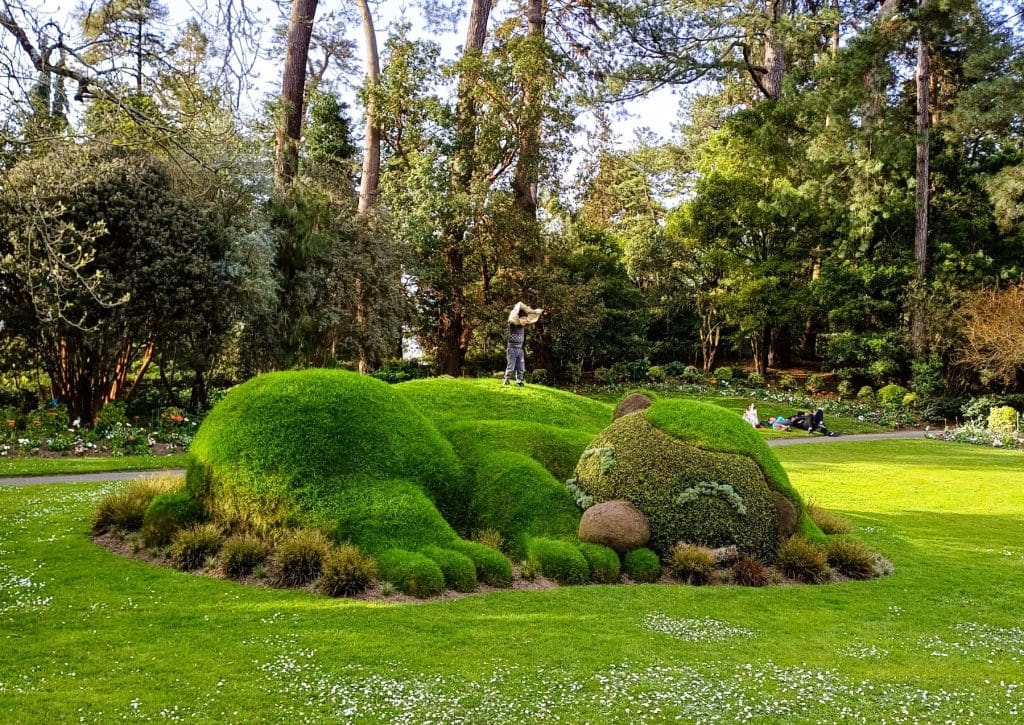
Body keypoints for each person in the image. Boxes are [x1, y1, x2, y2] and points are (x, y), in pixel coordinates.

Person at [502, 301, 543, 386]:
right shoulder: (513, 323)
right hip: (512, 349)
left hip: (520, 349)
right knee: (511, 366)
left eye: (525, 319)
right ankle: (506, 380)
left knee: (521, 367)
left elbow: (533, 319)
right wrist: (532, 311)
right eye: (523, 318)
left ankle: (519, 381)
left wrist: (536, 312)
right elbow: (519, 304)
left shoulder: (523, 324)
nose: (524, 320)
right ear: (518, 318)